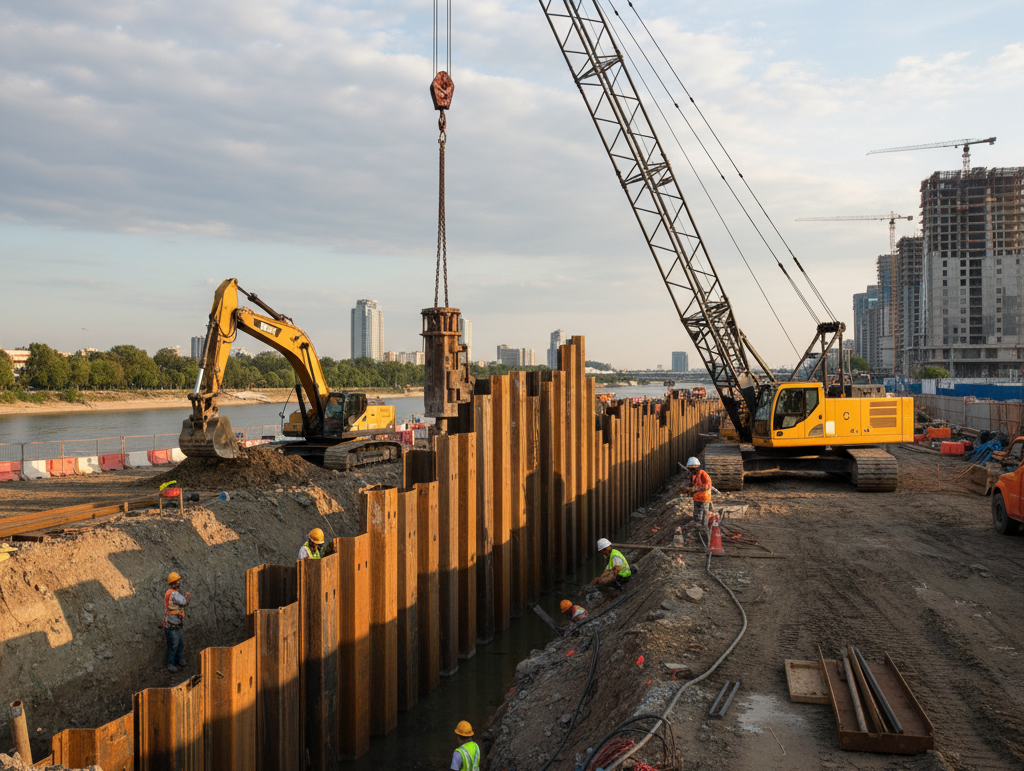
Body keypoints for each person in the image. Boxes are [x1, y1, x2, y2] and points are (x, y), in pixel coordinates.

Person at [163, 572, 191, 673]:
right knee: (173, 645)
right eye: (177, 582)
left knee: (180, 644)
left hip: (175, 625)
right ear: (173, 583)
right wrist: (188, 597)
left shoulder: (169, 592)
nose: (178, 584)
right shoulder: (173, 594)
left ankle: (178, 660)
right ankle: (170, 663)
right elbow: (184, 602)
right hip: (172, 625)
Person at [680, 457, 712, 526]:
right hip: (697, 499)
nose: (691, 471)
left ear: (698, 467)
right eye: (690, 470)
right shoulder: (694, 475)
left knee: (700, 518)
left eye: (693, 469)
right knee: (697, 517)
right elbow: (693, 488)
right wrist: (687, 490)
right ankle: (698, 529)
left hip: (704, 500)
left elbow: (706, 486)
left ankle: (700, 531)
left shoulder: (703, 474)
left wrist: (693, 489)